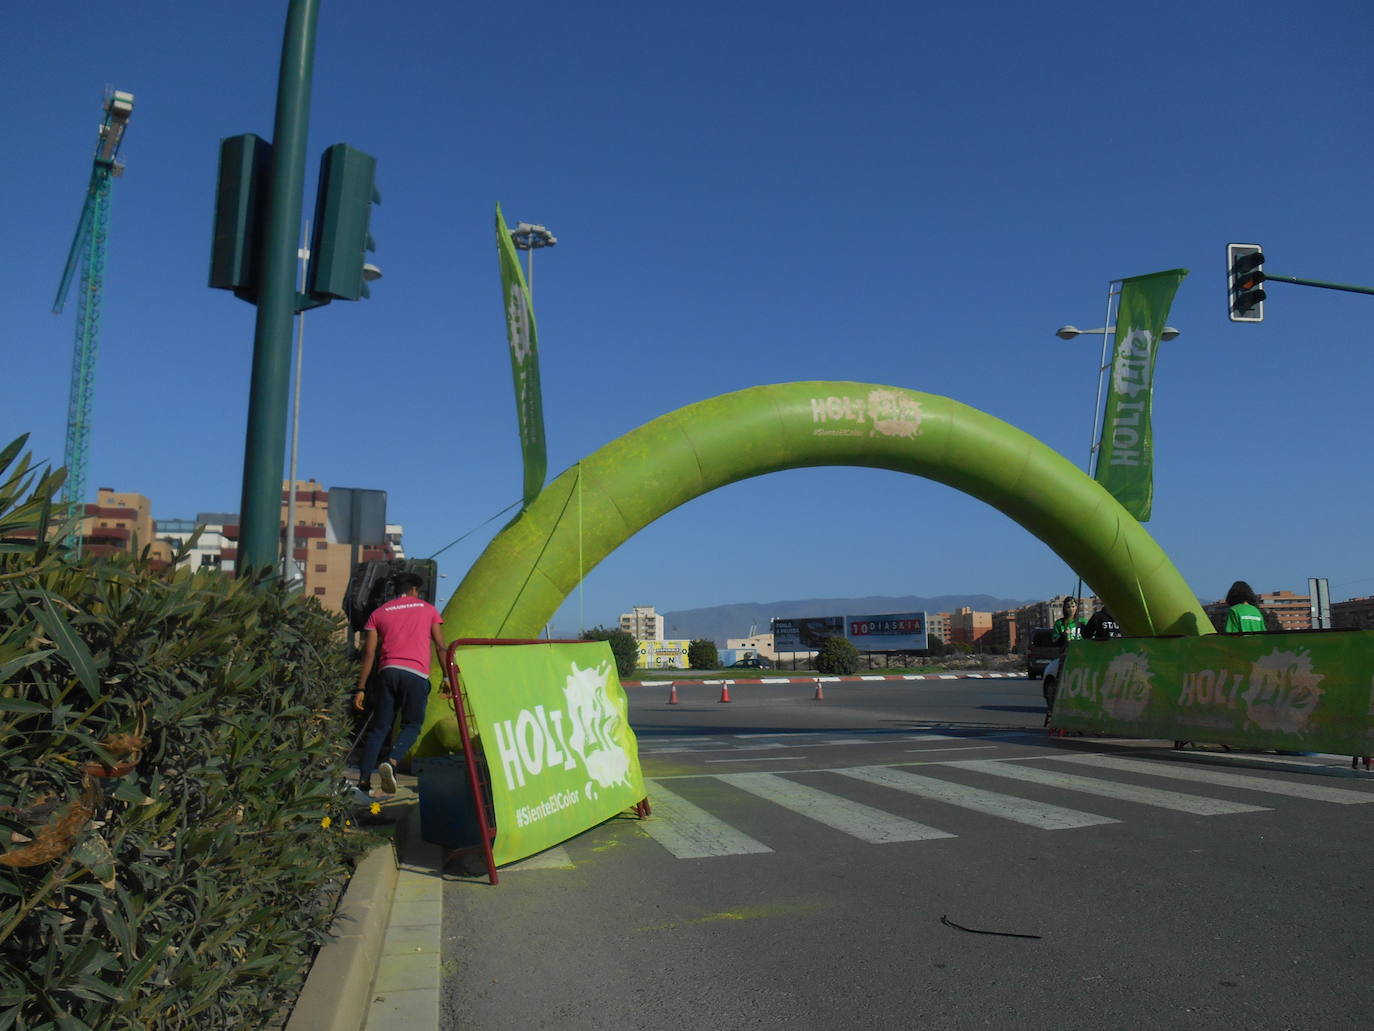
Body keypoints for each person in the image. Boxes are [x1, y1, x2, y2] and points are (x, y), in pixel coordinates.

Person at [355, 572, 446, 795]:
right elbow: (441, 647)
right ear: (414, 590)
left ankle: (364, 782)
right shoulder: (428, 609)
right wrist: (447, 676)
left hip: (387, 672)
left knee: (379, 729)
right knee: (412, 725)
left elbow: (368, 653)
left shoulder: (378, 613)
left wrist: (361, 688)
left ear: (396, 591)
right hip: (415, 675)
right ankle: (392, 761)